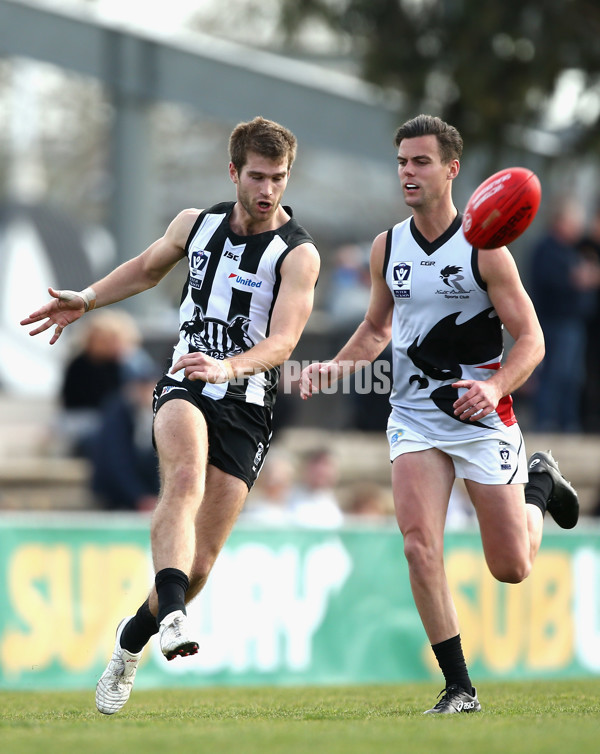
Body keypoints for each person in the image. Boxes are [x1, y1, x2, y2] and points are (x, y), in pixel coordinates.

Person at [21, 116, 320, 714]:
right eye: (257, 176)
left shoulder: (298, 254)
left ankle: (131, 643)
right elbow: (146, 267)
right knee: (183, 477)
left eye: (278, 178)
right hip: (185, 380)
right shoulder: (195, 224)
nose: (267, 190)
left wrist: (231, 368)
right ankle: (176, 617)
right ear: (234, 172)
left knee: (200, 563)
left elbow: (284, 341)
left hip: (247, 401)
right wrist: (87, 297)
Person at [300, 114, 579, 715]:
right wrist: (335, 368)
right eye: (402, 161)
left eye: (420, 161)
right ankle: (459, 687)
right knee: (419, 546)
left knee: (512, 567)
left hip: (483, 419)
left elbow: (531, 340)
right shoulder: (387, 246)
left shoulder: (488, 249)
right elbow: (377, 328)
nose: (408, 172)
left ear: (452, 170)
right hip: (414, 416)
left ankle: (539, 485)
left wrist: (496, 383)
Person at [528, 199, 599, 432]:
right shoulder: (546, 249)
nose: (577, 227)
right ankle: (547, 422)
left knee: (571, 376)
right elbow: (558, 282)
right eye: (573, 222)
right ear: (560, 222)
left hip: (573, 323)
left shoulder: (571, 250)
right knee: (553, 374)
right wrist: (578, 279)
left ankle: (568, 423)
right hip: (554, 323)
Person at [89, 359, 161, 512]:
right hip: (117, 496)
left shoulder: (165, 410)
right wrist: (139, 498)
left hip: (153, 494)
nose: (145, 392)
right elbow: (116, 460)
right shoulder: (116, 411)